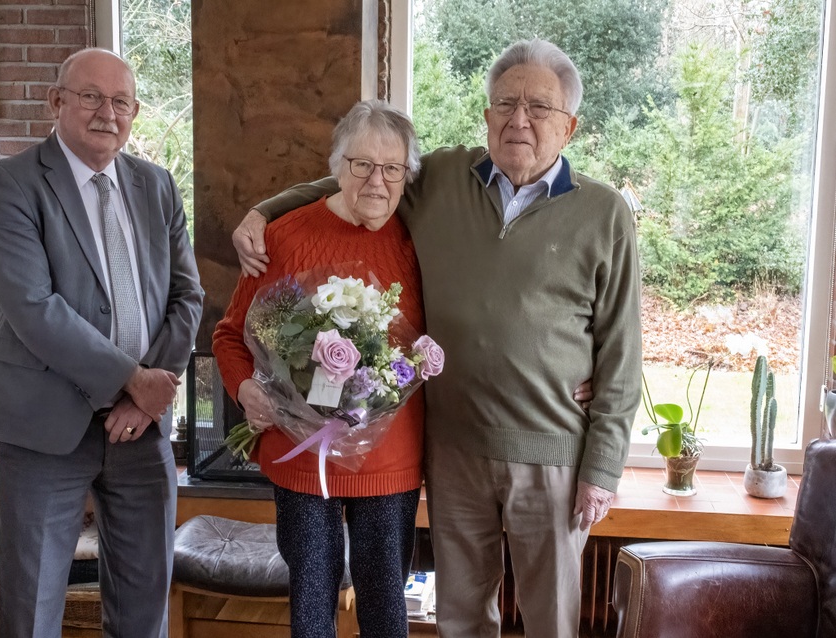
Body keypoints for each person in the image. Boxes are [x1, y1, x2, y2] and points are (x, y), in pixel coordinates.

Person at [231, 39, 642, 638]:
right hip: (453, 451)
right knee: (461, 617)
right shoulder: (445, 177)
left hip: (553, 453)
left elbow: (622, 352)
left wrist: (602, 467)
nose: (518, 119)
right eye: (504, 102)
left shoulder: (604, 214)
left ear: (569, 126)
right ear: (486, 115)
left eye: (538, 108)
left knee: (552, 620)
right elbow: (358, 180)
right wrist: (263, 212)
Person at [0, 48, 203, 638]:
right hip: (46, 425)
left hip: (140, 429)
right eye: (91, 96)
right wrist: (132, 379)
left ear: (135, 111)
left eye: (120, 101)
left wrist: (147, 395)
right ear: (57, 101)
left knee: (145, 601)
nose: (107, 112)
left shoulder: (157, 185)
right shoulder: (11, 184)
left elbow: (188, 297)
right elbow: (33, 309)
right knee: (31, 609)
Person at [212, 99, 425, 638]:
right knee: (310, 606)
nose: (377, 181)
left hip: (389, 456)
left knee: (385, 608)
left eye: (392, 168)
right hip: (302, 455)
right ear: (337, 166)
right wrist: (245, 390)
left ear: (406, 175)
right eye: (362, 165)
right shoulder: (282, 237)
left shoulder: (418, 242)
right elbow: (231, 335)